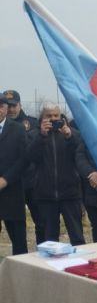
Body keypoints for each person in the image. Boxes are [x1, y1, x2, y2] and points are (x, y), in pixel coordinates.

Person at [26, 103, 85, 246]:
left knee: (77, 237)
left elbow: (80, 155)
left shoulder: (72, 133)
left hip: (70, 193)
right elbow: (30, 157)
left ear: (60, 116)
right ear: (42, 118)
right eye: (49, 116)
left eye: (55, 116)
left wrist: (69, 136)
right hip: (45, 194)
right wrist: (42, 136)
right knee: (50, 240)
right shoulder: (34, 134)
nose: (52, 119)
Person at [4, 89, 44, 244]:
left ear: (20, 105)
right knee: (16, 227)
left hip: (32, 182)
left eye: (14, 105)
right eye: (9, 106)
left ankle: (41, 253)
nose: (12, 109)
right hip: (12, 185)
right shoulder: (4, 127)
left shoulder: (33, 123)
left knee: (41, 221)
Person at [0, 94, 28, 255]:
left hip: (12, 192)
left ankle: (21, 275)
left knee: (18, 241)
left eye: (1, 106)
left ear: (5, 108)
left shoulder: (17, 129)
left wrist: (5, 180)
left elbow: (23, 160)